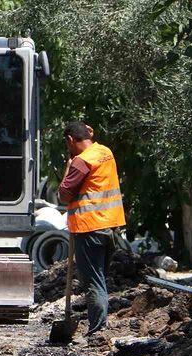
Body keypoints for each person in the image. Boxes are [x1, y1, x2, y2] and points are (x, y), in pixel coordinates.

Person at [59, 121, 126, 336]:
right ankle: (99, 325)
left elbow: (64, 194)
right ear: (88, 133)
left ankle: (98, 330)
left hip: (89, 229)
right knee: (100, 279)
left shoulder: (81, 162)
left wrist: (68, 168)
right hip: (110, 227)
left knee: (94, 282)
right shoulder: (106, 152)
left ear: (70, 140)